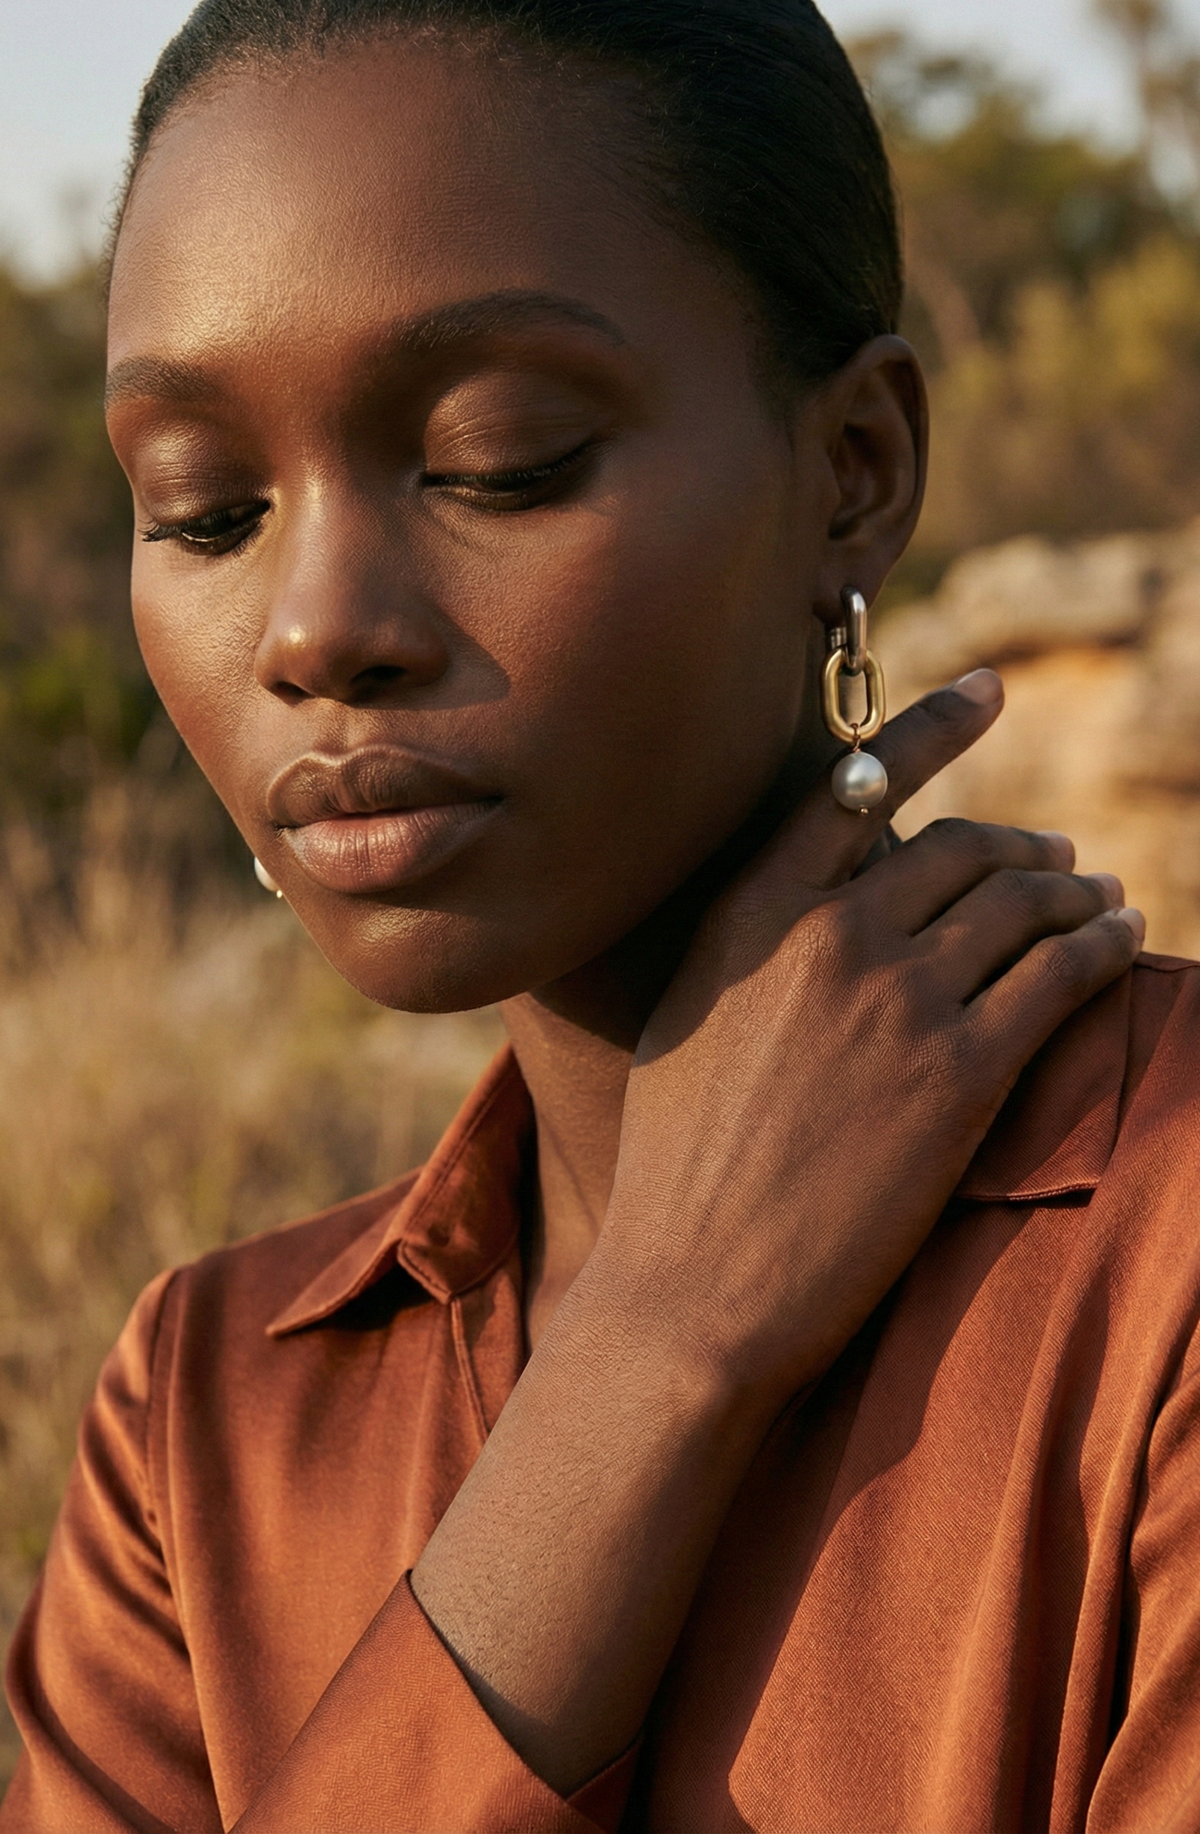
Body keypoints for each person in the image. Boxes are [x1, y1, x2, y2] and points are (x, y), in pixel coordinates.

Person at [3, 1, 1197, 1829]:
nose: (317, 630)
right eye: (206, 508)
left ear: (855, 471)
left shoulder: (1168, 1240)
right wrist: (648, 1354)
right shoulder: (204, 1431)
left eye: (499, 459)